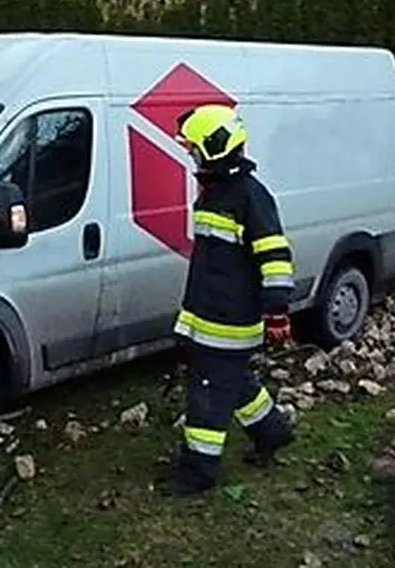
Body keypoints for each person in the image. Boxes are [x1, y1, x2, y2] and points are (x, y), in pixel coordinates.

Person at [167, 104, 297, 497]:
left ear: (216, 149)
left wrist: (277, 311)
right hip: (208, 311)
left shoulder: (249, 197)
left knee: (207, 396)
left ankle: (198, 473)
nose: (191, 156)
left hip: (227, 321)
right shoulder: (217, 192)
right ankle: (272, 432)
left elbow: (275, 255)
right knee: (234, 382)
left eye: (195, 150)